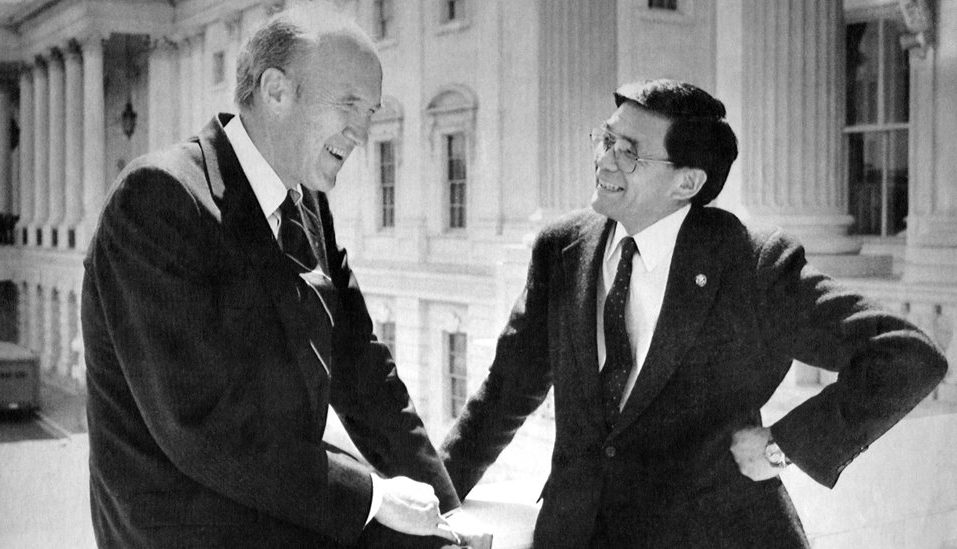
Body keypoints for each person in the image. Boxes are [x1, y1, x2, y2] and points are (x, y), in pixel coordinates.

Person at [439, 79, 948, 548]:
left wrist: (783, 445)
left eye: (629, 152)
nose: (605, 162)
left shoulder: (752, 265)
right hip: (577, 534)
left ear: (686, 183)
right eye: (606, 140)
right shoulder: (561, 248)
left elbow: (905, 355)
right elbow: (506, 391)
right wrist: (432, 497)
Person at [81, 5, 463, 548]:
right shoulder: (157, 198)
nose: (362, 131)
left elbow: (363, 372)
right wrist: (375, 495)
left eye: (371, 111)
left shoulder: (308, 205)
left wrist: (448, 513)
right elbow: (201, 425)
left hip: (274, 506)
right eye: (349, 104)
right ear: (276, 90)